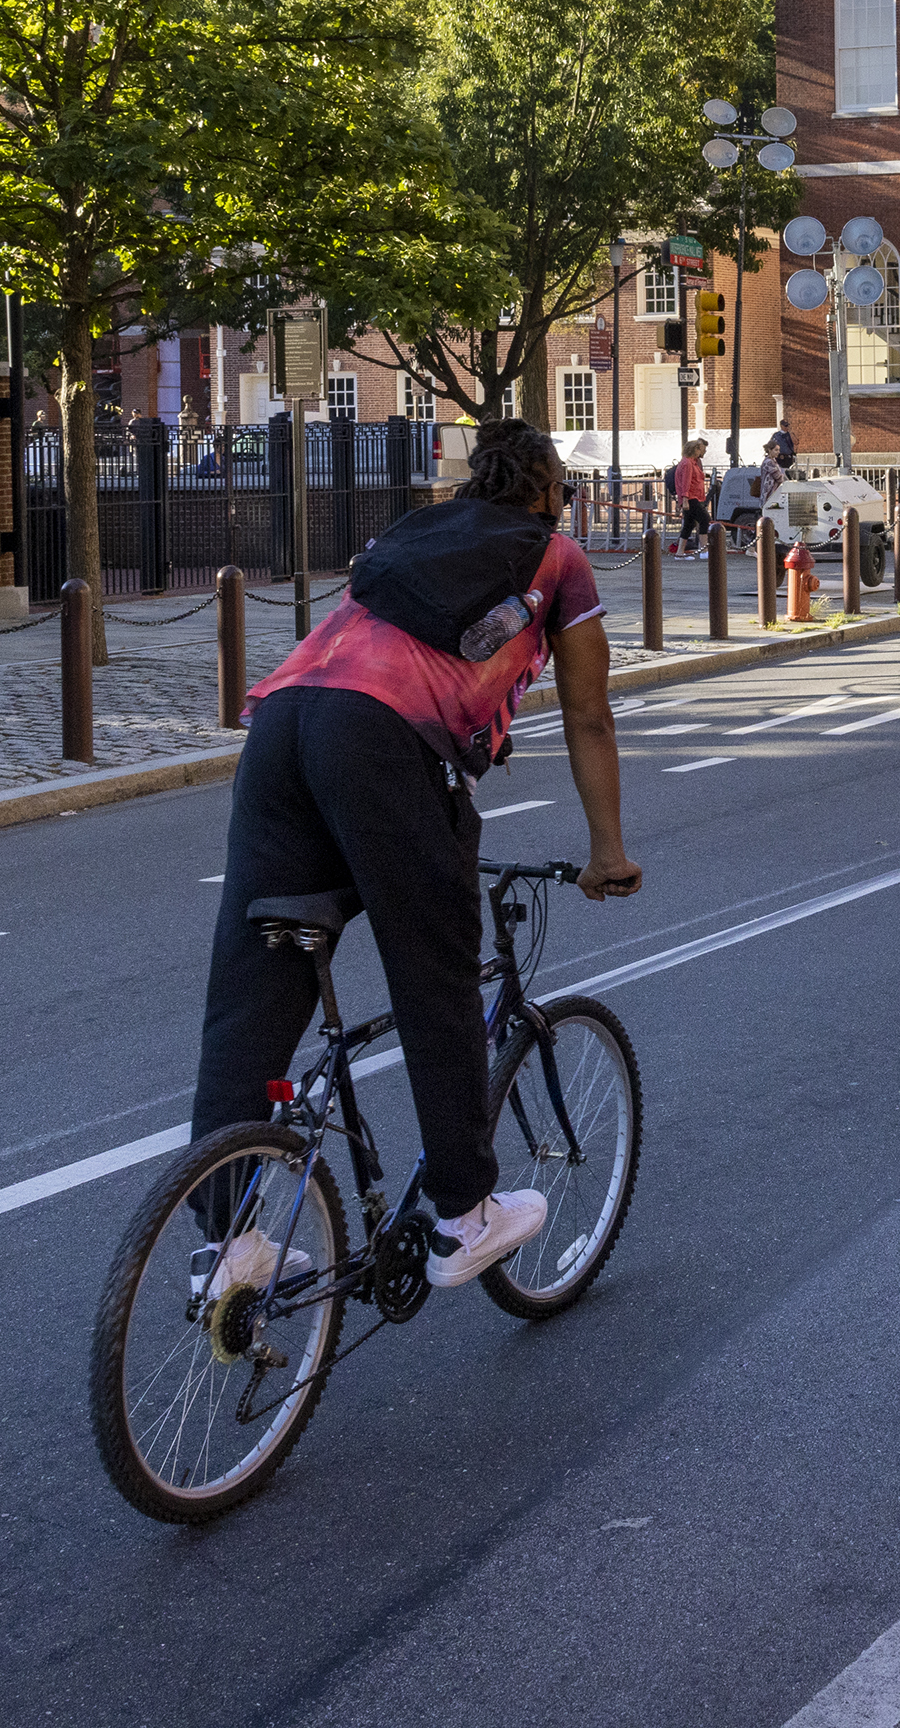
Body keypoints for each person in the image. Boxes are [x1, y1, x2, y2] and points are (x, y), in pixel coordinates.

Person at [187, 416, 640, 1296]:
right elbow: (589, 715)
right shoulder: (557, 559)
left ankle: (227, 1241)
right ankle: (466, 1214)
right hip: (384, 744)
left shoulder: (411, 533)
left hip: (282, 728)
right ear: (551, 491)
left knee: (250, 993)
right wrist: (606, 851)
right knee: (434, 975)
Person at [666, 438, 712, 557]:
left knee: (689, 524)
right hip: (691, 497)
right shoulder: (687, 463)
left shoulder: (691, 462)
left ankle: (680, 552)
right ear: (695, 450)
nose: (704, 451)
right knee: (704, 519)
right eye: (702, 449)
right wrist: (685, 499)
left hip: (693, 497)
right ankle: (703, 550)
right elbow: (685, 482)